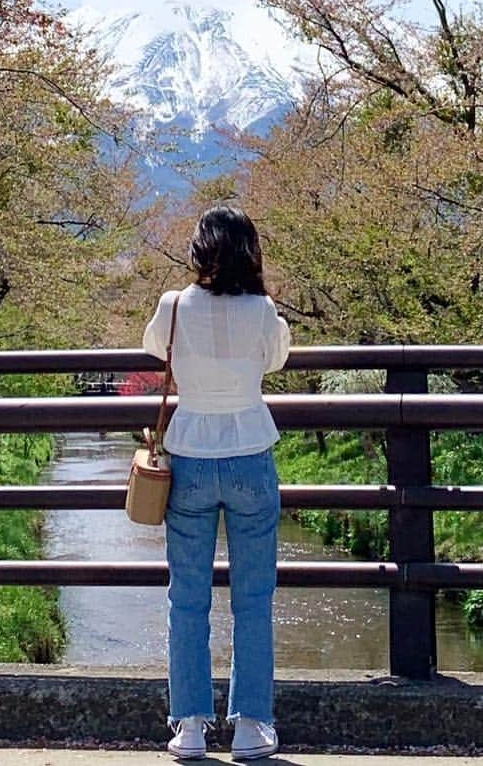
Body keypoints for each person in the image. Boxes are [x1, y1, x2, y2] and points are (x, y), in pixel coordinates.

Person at [143, 205, 291, 762]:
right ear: (250, 251)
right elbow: (276, 359)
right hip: (251, 451)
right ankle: (252, 725)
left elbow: (156, 347)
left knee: (188, 597)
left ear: (200, 250)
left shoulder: (174, 306)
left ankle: (190, 726)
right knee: (253, 599)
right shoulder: (264, 309)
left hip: (191, 458)